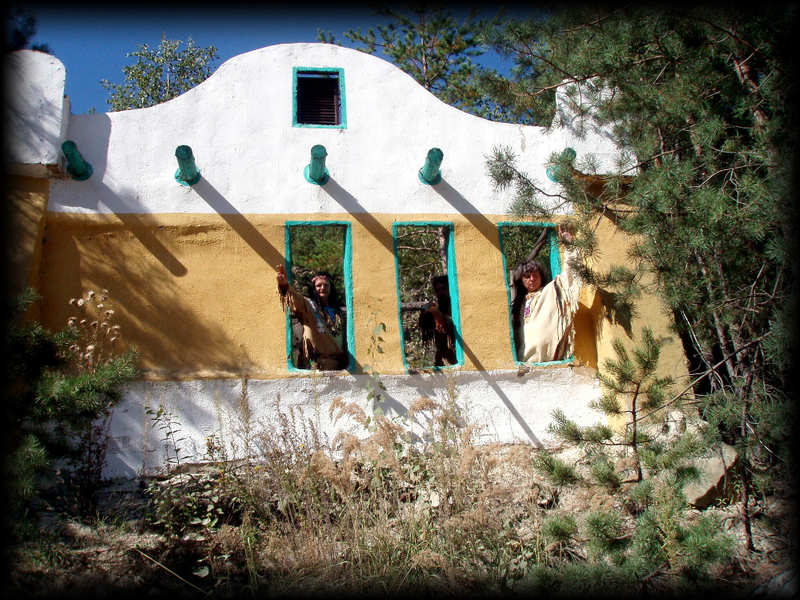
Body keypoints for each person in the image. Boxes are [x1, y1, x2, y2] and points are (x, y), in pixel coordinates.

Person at [510, 226, 582, 363]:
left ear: (542, 276)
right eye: (527, 276)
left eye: (535, 275)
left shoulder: (551, 291)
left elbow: (569, 274)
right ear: (521, 280)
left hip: (551, 358)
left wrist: (569, 245)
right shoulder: (519, 302)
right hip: (525, 361)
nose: (531, 279)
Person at [276, 264, 348, 370]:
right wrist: (284, 285)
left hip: (337, 366)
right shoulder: (309, 305)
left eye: (326, 285)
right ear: (313, 288)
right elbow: (295, 300)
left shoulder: (340, 312)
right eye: (319, 285)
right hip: (314, 367)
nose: (322, 288)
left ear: (331, 288)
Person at [418, 275, 457, 366]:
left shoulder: (456, 305)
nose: (440, 292)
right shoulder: (435, 306)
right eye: (437, 290)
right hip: (444, 357)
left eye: (443, 289)